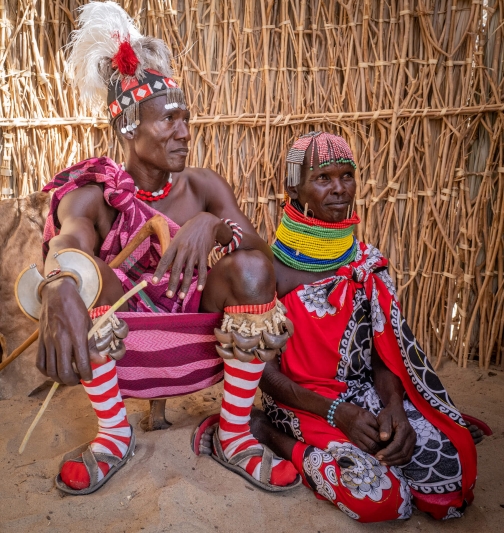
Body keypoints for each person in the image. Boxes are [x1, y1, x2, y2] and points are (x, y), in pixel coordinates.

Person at [36, 1, 298, 495]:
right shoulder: (94, 194)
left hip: (198, 344)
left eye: (186, 118)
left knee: (246, 270)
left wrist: (214, 228)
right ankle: (114, 435)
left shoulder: (203, 188)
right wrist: (59, 279)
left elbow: (265, 266)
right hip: (123, 346)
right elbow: (68, 240)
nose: (183, 131)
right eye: (168, 120)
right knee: (83, 271)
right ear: (127, 129)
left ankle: (234, 435)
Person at [197, 132, 480, 522]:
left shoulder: (367, 262)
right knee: (383, 500)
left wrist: (395, 409)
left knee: (450, 478)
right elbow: (263, 373)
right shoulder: (267, 272)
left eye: (346, 176)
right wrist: (336, 414)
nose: (339, 189)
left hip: (366, 395)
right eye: (323, 178)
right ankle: (271, 437)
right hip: (298, 402)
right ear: (294, 187)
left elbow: (384, 355)